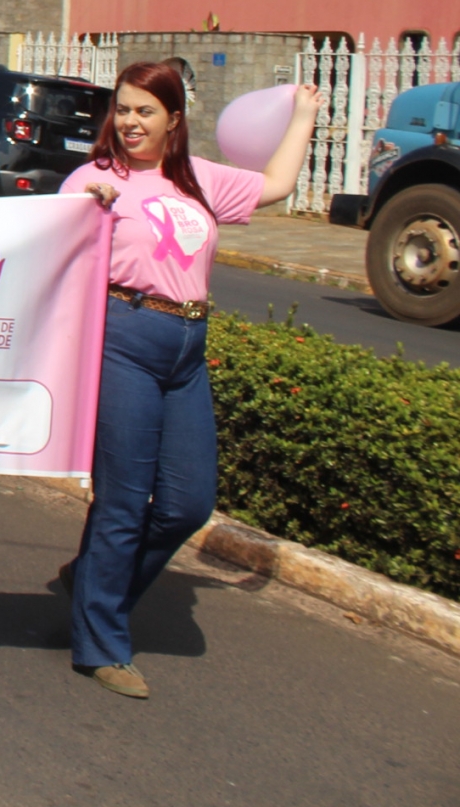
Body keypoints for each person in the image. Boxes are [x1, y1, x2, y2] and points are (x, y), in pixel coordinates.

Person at [61, 64, 318, 701]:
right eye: (123, 109)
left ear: (173, 119)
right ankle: (100, 644)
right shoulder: (93, 179)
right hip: (123, 337)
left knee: (187, 504)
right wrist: (86, 211)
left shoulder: (199, 178)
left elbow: (278, 184)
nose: (130, 122)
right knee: (123, 502)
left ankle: (93, 581)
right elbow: (54, 249)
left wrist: (305, 114)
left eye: (145, 111)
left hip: (187, 348)